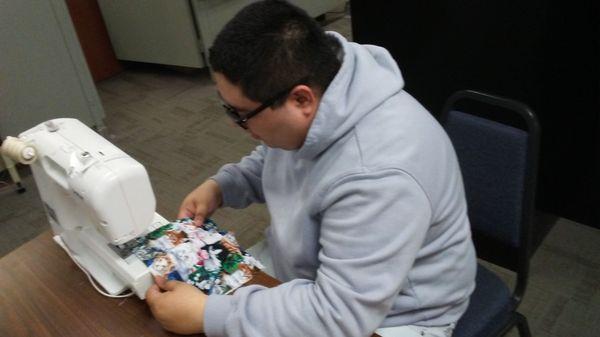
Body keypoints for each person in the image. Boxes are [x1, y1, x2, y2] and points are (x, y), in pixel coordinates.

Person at [145, 1, 476, 336]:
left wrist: (208, 315)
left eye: (240, 114)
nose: (235, 125)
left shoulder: (378, 175)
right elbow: (279, 155)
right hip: (319, 274)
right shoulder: (327, 83)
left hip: (398, 315)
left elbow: (338, 315)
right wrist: (223, 185)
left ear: (301, 100)